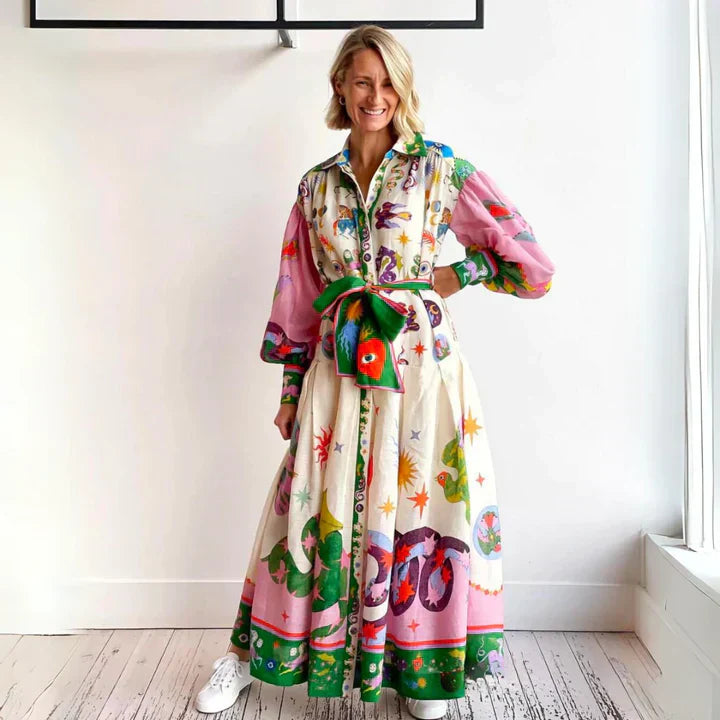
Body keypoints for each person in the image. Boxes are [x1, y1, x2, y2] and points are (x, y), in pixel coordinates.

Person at [195, 23, 555, 720]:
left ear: (404, 89)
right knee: (304, 509)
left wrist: (456, 273)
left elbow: (532, 266)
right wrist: (290, 390)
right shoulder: (315, 188)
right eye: (363, 80)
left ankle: (420, 671)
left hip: (421, 371)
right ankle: (245, 655)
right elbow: (297, 296)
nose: (376, 96)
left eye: (389, 82)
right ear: (340, 85)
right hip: (336, 369)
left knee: (420, 509)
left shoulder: (439, 169)